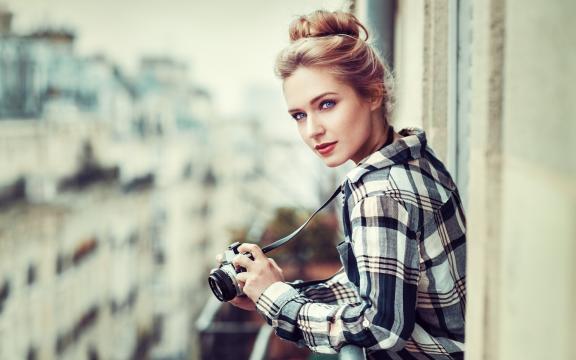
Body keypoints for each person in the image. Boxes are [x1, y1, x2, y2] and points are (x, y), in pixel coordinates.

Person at [225, 9, 466, 360]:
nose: (312, 130)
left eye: (327, 104)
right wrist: (275, 291)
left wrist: (277, 300)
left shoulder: (380, 193)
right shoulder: (413, 158)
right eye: (299, 115)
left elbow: (379, 328)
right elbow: (379, 288)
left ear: (373, 94)